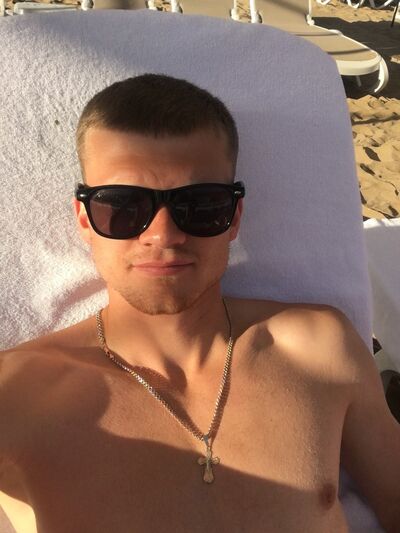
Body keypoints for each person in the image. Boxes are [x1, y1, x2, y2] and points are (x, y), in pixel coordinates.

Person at [0, 74, 399, 533]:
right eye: (123, 206)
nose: (164, 235)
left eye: (201, 205)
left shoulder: (318, 348)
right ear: (85, 219)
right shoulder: (19, 393)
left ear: (234, 217)